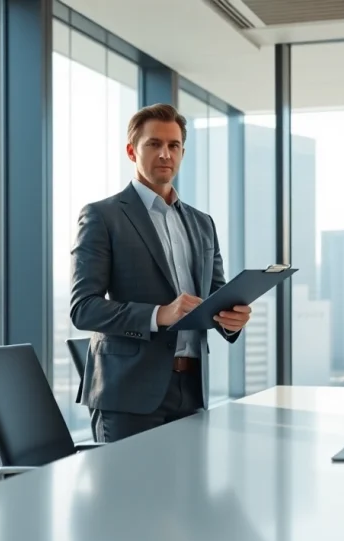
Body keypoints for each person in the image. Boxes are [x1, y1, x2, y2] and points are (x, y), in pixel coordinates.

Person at [70, 103, 250, 443]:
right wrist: (159, 314)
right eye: (154, 144)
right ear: (131, 151)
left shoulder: (202, 223)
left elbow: (215, 295)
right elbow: (83, 308)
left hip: (192, 389)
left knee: (188, 496)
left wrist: (232, 319)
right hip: (128, 395)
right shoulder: (102, 216)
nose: (165, 154)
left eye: (174, 145)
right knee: (132, 496)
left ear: (182, 152)